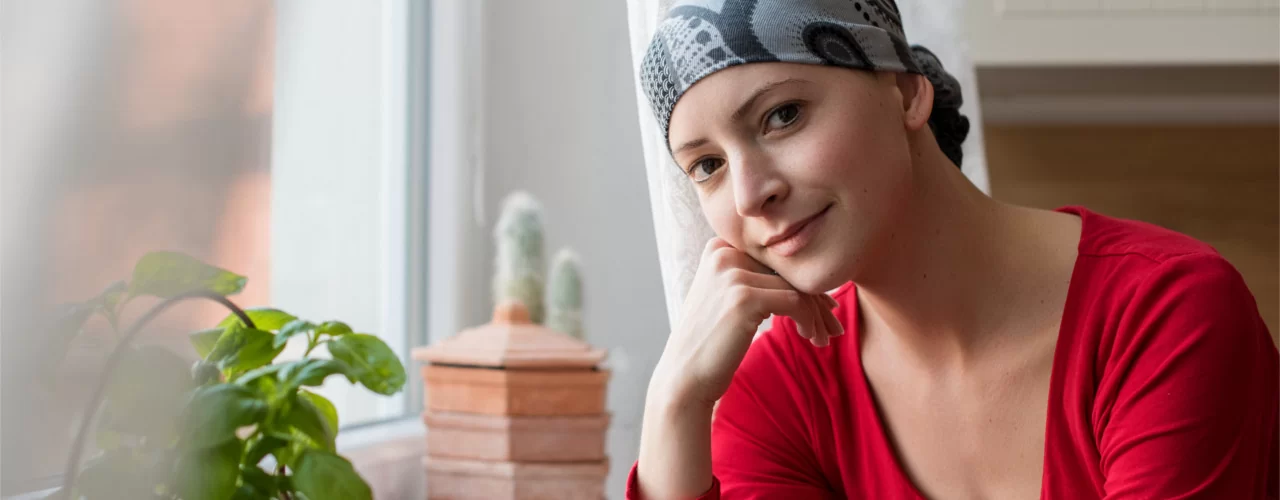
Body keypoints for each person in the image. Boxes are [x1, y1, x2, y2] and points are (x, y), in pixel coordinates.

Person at [627, 0, 1279, 498]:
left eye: (783, 115)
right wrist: (675, 404)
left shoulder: (1167, 314)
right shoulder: (781, 395)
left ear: (906, 92)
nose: (750, 194)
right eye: (707, 165)